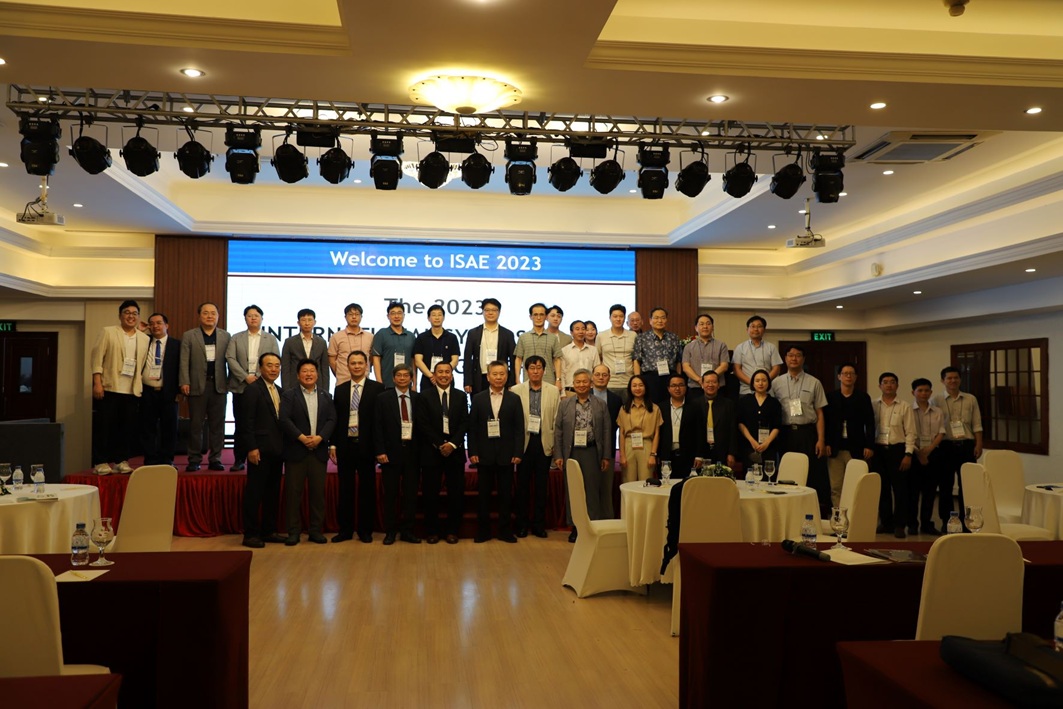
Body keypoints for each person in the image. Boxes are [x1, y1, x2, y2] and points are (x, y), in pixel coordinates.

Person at [328, 351, 384, 543]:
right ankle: (345, 530)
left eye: (360, 363)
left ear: (367, 366)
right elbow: (336, 420)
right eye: (353, 363)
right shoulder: (340, 389)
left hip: (367, 447)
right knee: (346, 490)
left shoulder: (378, 388)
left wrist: (379, 448)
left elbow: (379, 422)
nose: (357, 366)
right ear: (348, 366)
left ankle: (365, 530)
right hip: (346, 446)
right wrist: (333, 444)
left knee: (367, 490)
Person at [279, 359, 335, 545]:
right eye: (304, 371)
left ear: (317, 374)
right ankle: (293, 532)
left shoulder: (326, 395)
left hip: (318, 451)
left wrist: (321, 437)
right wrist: (302, 438)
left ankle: (315, 531)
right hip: (296, 451)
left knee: (318, 495)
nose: (308, 374)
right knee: (293, 494)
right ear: (298, 375)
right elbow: (284, 420)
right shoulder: (289, 395)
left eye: (312, 371)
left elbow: (332, 420)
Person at [468, 361, 524, 543]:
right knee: (483, 496)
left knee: (505, 496)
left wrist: (518, 452)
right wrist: (472, 451)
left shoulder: (514, 399)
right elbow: (472, 428)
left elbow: (519, 429)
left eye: (502, 374)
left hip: (506, 455)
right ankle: (483, 531)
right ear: (488, 376)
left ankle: (504, 531)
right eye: (495, 374)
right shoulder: (478, 398)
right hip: (483, 455)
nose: (498, 377)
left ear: (507, 376)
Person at [91, 299, 149, 474]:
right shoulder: (108, 332)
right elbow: (97, 358)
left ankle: (121, 461)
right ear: (120, 315)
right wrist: (97, 383)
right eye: (127, 313)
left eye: (135, 313)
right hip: (109, 387)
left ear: (138, 317)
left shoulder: (144, 338)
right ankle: (100, 462)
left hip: (132, 390)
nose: (131, 316)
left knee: (126, 428)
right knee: (104, 427)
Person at [555, 369, 615, 536]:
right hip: (571, 452)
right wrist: (558, 455)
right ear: (573, 384)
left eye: (584, 382)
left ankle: (591, 526)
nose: (581, 385)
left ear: (591, 383)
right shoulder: (565, 404)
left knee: (591, 490)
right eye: (578, 382)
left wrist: (606, 456)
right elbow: (558, 430)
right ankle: (575, 527)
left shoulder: (600, 404)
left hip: (591, 451)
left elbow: (607, 430)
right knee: (573, 490)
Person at [771, 346, 829, 514]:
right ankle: (786, 510)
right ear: (785, 358)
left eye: (798, 355)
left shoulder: (814, 382)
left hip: (807, 433)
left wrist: (821, 439)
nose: (794, 358)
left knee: (810, 473)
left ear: (803, 359)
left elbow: (820, 413)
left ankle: (808, 511)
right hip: (785, 433)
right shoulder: (776, 383)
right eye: (790, 355)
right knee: (786, 472)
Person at [417, 360, 468, 544]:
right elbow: (423, 423)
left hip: (455, 452)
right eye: (440, 372)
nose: (444, 375)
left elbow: (464, 422)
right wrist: (440, 444)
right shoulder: (424, 396)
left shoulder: (461, 396)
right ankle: (432, 531)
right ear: (434, 375)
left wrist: (452, 444)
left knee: (456, 494)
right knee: (430, 494)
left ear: (452, 375)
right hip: (432, 452)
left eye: (447, 372)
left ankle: (452, 531)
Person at [239, 352, 286, 548]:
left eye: (277, 366)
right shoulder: (253, 390)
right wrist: (251, 447)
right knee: (255, 493)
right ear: (260, 368)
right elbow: (246, 422)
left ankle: (269, 531)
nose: (274, 369)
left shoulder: (280, 390)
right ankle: (250, 534)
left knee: (272, 493)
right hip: (259, 450)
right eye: (269, 365)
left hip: (277, 450)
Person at [226, 305, 280, 471]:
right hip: (240, 386)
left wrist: (258, 376)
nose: (253, 318)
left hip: (262, 386)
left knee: (262, 423)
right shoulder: (236, 337)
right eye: (249, 316)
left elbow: (275, 359)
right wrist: (245, 376)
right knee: (241, 423)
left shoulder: (270, 339)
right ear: (245, 319)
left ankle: (262, 454)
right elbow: (230, 358)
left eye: (256, 315)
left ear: (262, 318)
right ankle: (239, 459)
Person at [373, 363, 423, 544]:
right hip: (390, 454)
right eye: (399, 375)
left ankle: (407, 531)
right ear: (393, 378)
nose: (402, 378)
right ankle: (390, 532)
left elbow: (423, 427)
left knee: (410, 495)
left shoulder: (418, 398)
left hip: (413, 454)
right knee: (391, 495)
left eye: (406, 375)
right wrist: (380, 451)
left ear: (411, 378)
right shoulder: (382, 398)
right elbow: (377, 426)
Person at [512, 356, 561, 538]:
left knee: (542, 487)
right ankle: (522, 524)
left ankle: (539, 525)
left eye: (539, 368)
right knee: (522, 487)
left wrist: (555, 445)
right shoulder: (516, 390)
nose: (535, 371)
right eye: (532, 368)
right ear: (526, 370)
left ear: (544, 370)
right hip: (524, 443)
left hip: (544, 442)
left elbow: (556, 420)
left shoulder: (553, 391)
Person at [179, 302, 231, 472]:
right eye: (206, 313)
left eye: (213, 313)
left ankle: (215, 459)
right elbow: (184, 361)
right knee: (196, 425)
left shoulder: (225, 336)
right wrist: (184, 381)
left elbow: (230, 361)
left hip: (219, 386)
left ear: (218, 316)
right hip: (196, 385)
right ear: (199, 315)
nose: (210, 316)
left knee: (217, 425)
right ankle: (194, 459)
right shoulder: (189, 335)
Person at [931, 366, 983, 531]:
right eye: (949, 378)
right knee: (945, 486)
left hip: (966, 446)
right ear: (942, 381)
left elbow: (977, 423)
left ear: (960, 379)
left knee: (966, 486)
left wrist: (979, 444)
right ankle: (947, 522)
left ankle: (967, 522)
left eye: (956, 378)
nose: (952, 381)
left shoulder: (970, 399)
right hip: (945, 446)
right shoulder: (936, 400)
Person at [873, 372, 917, 538]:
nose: (889, 385)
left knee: (900, 490)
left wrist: (908, 454)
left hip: (898, 451)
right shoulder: (873, 404)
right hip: (878, 451)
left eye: (892, 382)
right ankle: (886, 523)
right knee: (882, 489)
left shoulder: (905, 406)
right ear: (880, 386)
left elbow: (911, 432)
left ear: (897, 386)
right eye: (885, 382)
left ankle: (900, 524)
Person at [824, 364, 875, 508]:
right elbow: (825, 422)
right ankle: (838, 516)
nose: (848, 376)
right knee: (836, 486)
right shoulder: (831, 397)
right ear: (839, 376)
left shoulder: (863, 397)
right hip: (835, 448)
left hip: (857, 448)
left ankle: (854, 515)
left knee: (856, 485)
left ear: (856, 377)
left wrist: (869, 445)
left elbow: (870, 423)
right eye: (845, 373)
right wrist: (826, 442)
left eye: (851, 373)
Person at [139, 312, 180, 467]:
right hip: (147, 391)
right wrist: (140, 331)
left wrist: (179, 390)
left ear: (166, 325)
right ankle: (150, 459)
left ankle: (166, 459)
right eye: (152, 323)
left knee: (169, 427)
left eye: (159, 323)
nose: (155, 326)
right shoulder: (143, 341)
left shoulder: (177, 344)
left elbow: (182, 368)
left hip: (169, 391)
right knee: (147, 427)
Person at [911, 377, 946, 535]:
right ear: (913, 392)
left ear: (931, 392)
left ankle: (926, 524)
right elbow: (906, 433)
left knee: (930, 492)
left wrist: (929, 450)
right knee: (912, 492)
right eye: (920, 390)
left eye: (926, 390)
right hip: (914, 453)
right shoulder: (907, 410)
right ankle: (912, 524)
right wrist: (919, 452)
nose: (923, 393)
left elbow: (941, 432)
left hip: (933, 454)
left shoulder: (937, 411)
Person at [462, 297, 516, 396]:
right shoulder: (473, 333)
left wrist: (512, 382)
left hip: (500, 378)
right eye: (487, 310)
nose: (490, 313)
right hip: (479, 378)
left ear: (499, 312)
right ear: (482, 312)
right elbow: (467, 359)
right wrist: (467, 381)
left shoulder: (508, 334)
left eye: (494, 310)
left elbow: (513, 360)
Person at [656, 374, 706, 479]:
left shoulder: (695, 407)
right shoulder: (660, 407)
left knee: (687, 486)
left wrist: (699, 455)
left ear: (686, 387)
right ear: (668, 388)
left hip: (688, 456)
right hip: (666, 456)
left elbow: (700, 432)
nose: (677, 388)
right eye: (673, 385)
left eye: (681, 385)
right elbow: (657, 433)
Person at [632, 307, 683, 404]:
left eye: (663, 318)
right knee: (651, 406)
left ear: (666, 320)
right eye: (656, 318)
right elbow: (637, 360)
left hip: (669, 377)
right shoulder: (642, 338)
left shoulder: (674, 337)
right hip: (650, 378)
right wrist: (638, 380)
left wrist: (678, 379)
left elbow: (678, 361)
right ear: (650, 321)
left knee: (669, 405)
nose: (660, 321)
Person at [616, 374, 662, 482]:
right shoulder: (624, 409)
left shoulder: (654, 408)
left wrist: (653, 454)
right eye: (634, 385)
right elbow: (621, 434)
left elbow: (657, 434)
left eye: (641, 385)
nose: (637, 388)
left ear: (646, 387)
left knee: (646, 482)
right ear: (630, 388)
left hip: (647, 445)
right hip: (628, 445)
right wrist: (622, 455)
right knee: (628, 482)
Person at [737, 369, 782, 471]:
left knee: (768, 475)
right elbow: (740, 423)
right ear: (753, 383)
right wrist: (752, 441)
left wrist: (767, 442)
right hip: (749, 446)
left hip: (769, 447)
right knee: (750, 476)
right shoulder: (745, 401)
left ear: (768, 383)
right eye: (757, 381)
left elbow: (777, 425)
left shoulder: (774, 403)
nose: (760, 383)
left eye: (764, 380)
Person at [514, 302, 563, 389]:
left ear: (546, 316)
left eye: (541, 314)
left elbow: (557, 360)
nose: (539, 318)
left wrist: (558, 380)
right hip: (527, 381)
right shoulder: (523, 337)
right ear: (530, 317)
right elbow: (518, 359)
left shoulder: (553, 338)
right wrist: (517, 379)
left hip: (549, 381)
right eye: (535, 315)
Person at [412, 304, 460, 391]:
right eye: (434, 315)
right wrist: (432, 376)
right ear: (428, 318)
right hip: (428, 379)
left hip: (447, 379)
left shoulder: (452, 337)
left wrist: (444, 373)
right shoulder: (421, 337)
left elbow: (455, 360)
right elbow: (418, 361)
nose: (437, 318)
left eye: (439, 315)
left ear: (443, 317)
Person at [731, 315, 782, 396]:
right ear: (747, 329)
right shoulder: (740, 348)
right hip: (746, 390)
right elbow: (736, 369)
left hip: (767, 391)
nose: (756, 329)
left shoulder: (771, 347)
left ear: (764, 330)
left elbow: (776, 368)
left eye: (759, 326)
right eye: (753, 326)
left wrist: (764, 382)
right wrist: (752, 383)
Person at [682, 313, 730, 397]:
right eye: (701, 324)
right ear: (696, 328)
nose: (705, 326)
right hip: (695, 387)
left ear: (713, 327)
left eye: (708, 324)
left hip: (716, 387)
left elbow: (724, 366)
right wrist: (700, 380)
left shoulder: (721, 345)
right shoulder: (688, 347)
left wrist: (709, 379)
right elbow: (686, 367)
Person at [281, 308, 329, 393]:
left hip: (317, 385)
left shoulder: (322, 342)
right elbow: (285, 368)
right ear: (298, 323)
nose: (307, 323)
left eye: (310, 320)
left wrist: (325, 391)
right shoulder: (289, 342)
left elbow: (324, 369)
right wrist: (286, 390)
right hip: (294, 384)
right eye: (303, 320)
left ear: (314, 322)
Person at [372, 301, 417, 391]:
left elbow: (413, 362)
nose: (396, 316)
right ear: (388, 316)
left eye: (399, 313)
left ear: (404, 316)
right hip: (387, 384)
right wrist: (379, 383)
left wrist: (414, 383)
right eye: (393, 313)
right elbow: (376, 359)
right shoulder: (381, 334)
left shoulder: (411, 336)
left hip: (406, 384)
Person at [327, 303, 374, 386]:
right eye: (350, 314)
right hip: (343, 382)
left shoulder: (370, 337)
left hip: (364, 382)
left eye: (357, 314)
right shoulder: (336, 337)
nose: (354, 317)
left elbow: (372, 359)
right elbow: (332, 361)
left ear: (361, 317)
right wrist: (341, 374)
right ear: (345, 317)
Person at [698, 371, 737, 469]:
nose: (710, 385)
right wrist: (697, 455)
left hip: (722, 452)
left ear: (719, 385)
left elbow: (733, 430)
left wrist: (731, 453)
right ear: (702, 384)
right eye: (707, 382)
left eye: (714, 382)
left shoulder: (728, 404)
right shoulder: (695, 404)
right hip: (701, 452)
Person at [598, 304, 636, 400]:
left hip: (628, 382)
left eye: (621, 316)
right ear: (610, 318)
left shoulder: (633, 335)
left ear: (624, 318)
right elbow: (598, 357)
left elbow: (635, 359)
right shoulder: (601, 336)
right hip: (609, 383)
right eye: (615, 316)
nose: (618, 319)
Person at [559, 320, 600, 392]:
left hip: (589, 390)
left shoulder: (593, 350)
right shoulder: (564, 350)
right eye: (577, 329)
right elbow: (562, 373)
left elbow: (597, 371)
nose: (581, 331)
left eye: (583, 329)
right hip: (570, 390)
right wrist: (563, 393)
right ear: (571, 332)